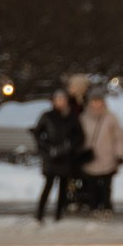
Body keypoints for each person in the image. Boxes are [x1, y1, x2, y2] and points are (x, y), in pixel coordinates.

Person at [32, 87, 86, 223]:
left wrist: (69, 146)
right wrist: (47, 149)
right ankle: (40, 213)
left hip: (65, 157)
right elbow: (38, 134)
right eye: (58, 99)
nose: (60, 102)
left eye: (63, 99)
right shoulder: (47, 116)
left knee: (63, 187)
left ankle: (59, 214)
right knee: (48, 185)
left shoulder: (71, 117)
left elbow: (79, 136)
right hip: (51, 157)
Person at [78, 90, 123, 213]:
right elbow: (78, 137)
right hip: (91, 157)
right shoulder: (83, 118)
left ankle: (106, 206)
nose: (96, 104)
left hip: (107, 156)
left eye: (99, 101)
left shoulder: (111, 117)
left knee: (106, 185)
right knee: (92, 185)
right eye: (94, 101)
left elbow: (118, 137)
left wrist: (119, 153)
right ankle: (94, 206)